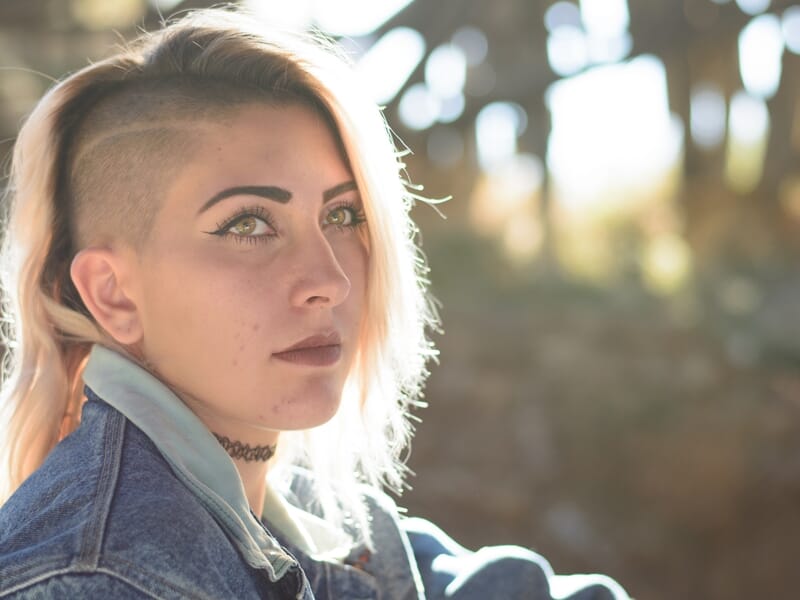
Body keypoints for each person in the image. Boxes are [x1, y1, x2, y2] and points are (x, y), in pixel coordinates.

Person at [0, 8, 630, 599]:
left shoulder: (307, 514)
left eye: (342, 214)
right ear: (114, 294)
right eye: (248, 223)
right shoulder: (100, 579)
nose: (329, 278)